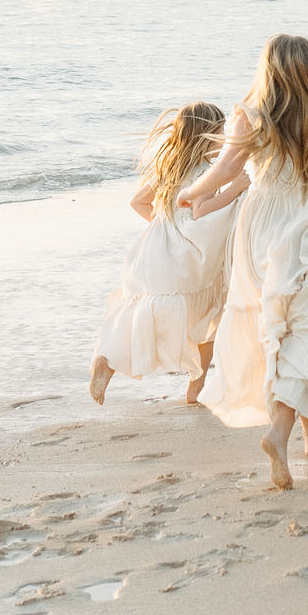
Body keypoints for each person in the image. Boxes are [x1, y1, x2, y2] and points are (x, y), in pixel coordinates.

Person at [181, 35, 308, 491]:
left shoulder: (249, 117)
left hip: (260, 226)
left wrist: (193, 193)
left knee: (271, 325)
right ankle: (281, 433)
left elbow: (227, 172)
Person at [89, 102, 247, 408]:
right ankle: (194, 392)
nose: (226, 137)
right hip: (189, 261)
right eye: (221, 132)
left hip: (154, 255)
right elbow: (200, 211)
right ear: (206, 136)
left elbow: (138, 202)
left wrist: (167, 224)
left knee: (138, 316)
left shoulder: (170, 167)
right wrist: (235, 189)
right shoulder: (206, 171)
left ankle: (106, 364)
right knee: (210, 321)